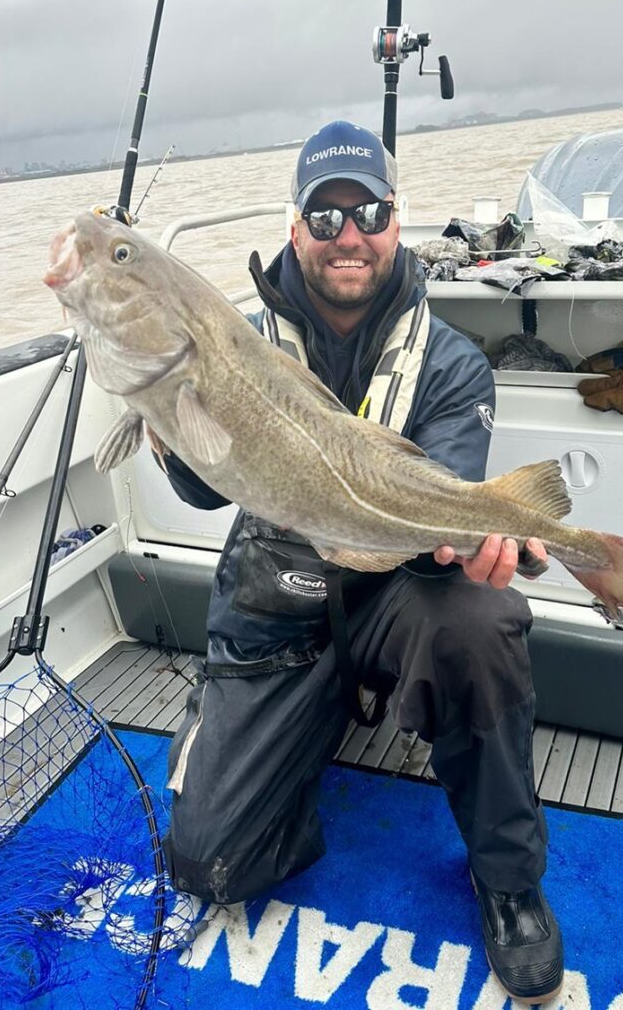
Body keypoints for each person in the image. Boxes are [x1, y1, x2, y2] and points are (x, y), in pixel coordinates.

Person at [151, 120, 564, 1003]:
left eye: (367, 210)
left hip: (391, 588)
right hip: (273, 597)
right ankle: (266, 734)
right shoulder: (235, 345)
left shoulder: (451, 363)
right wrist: (165, 415)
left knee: (483, 620)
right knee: (207, 861)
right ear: (295, 227)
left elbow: (438, 510)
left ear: (396, 221)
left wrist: (485, 541)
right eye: (324, 215)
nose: (349, 234)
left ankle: (508, 877)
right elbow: (197, 495)